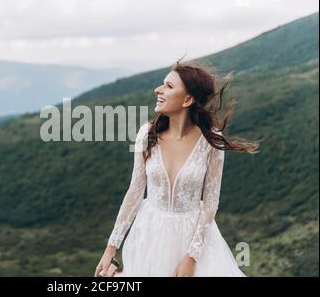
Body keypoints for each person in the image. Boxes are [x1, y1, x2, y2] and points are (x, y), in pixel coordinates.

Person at [94, 58, 260, 277]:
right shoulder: (147, 134)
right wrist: (110, 249)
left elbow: (210, 202)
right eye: (163, 83)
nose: (158, 90)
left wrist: (192, 257)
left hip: (193, 237)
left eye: (168, 86)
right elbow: (134, 192)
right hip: (149, 235)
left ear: (187, 99)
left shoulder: (211, 141)